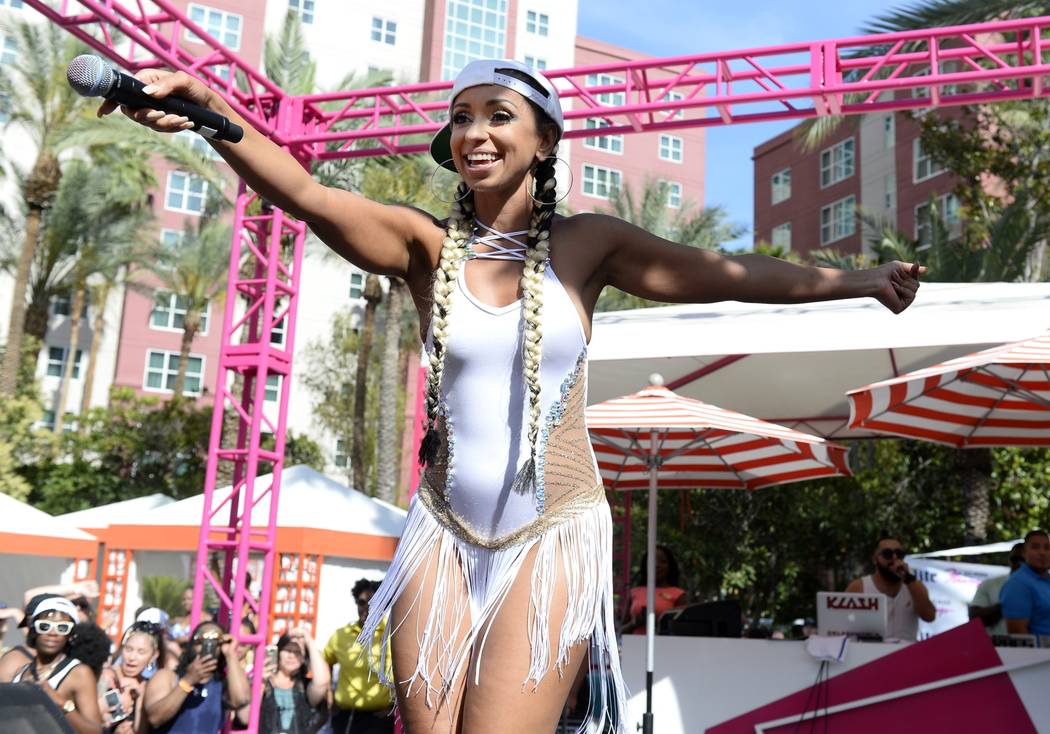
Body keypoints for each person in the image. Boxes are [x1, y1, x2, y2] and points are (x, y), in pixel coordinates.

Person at [103, 58, 923, 733]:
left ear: (544, 141)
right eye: (461, 118)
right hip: (442, 530)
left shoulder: (588, 243)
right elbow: (310, 195)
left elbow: (727, 274)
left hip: (553, 529)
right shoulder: (425, 246)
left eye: (496, 115)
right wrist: (213, 111)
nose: (474, 133)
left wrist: (855, 280)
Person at [1, 596, 103, 734]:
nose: (52, 633)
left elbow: (95, 731)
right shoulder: (21, 671)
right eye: (44, 626)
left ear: (71, 634)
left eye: (62, 628)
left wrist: (61, 703)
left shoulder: (79, 673)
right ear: (34, 629)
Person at [143, 620, 250, 733]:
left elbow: (242, 701)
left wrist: (230, 654)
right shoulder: (167, 676)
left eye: (216, 642)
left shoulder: (220, 684)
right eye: (201, 641)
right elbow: (155, 718)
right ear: (192, 645)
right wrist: (188, 681)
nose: (208, 647)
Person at [323, 580, 393, 734]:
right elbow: (324, 661)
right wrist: (328, 693)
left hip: (380, 719)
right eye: (362, 603)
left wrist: (394, 708)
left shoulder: (393, 635)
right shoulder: (341, 635)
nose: (367, 608)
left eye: (373, 603)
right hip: (346, 718)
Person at [845, 534, 936, 641]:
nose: (894, 558)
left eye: (899, 554)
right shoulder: (859, 587)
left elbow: (929, 616)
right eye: (887, 554)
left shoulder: (914, 585)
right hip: (871, 653)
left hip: (907, 654)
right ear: (875, 559)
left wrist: (909, 580)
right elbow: (843, 624)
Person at [98, 620, 167, 734]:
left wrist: (140, 696)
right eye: (128, 649)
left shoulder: (148, 685)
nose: (132, 657)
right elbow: (86, 720)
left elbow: (141, 730)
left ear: (154, 656)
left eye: (141, 652)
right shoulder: (106, 676)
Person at [257, 628, 330, 734]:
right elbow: (247, 717)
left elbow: (322, 681)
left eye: (297, 652)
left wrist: (309, 640)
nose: (291, 656)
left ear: (304, 657)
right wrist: (260, 684)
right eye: (287, 650)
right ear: (278, 651)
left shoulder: (304, 687)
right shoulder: (263, 681)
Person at [620, 545, 687, 634]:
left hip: (666, 646)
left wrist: (657, 622)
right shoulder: (634, 592)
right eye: (652, 561)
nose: (657, 565)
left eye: (662, 561)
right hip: (634, 646)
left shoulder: (679, 594)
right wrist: (634, 623)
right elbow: (621, 631)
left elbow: (684, 629)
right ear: (645, 565)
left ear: (669, 566)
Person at [969, 543, 1025, 636]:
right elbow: (974, 618)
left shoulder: (1045, 586)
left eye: (1023, 560)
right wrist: (1005, 603)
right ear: (1009, 560)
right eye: (1014, 559)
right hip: (997, 648)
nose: (1018, 563)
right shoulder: (990, 584)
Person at [1001, 529, 1050, 636]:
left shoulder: (1047, 580)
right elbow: (1018, 635)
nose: (1042, 552)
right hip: (1039, 652)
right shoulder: (1017, 583)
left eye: (1047, 548)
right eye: (1035, 547)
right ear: (1024, 552)